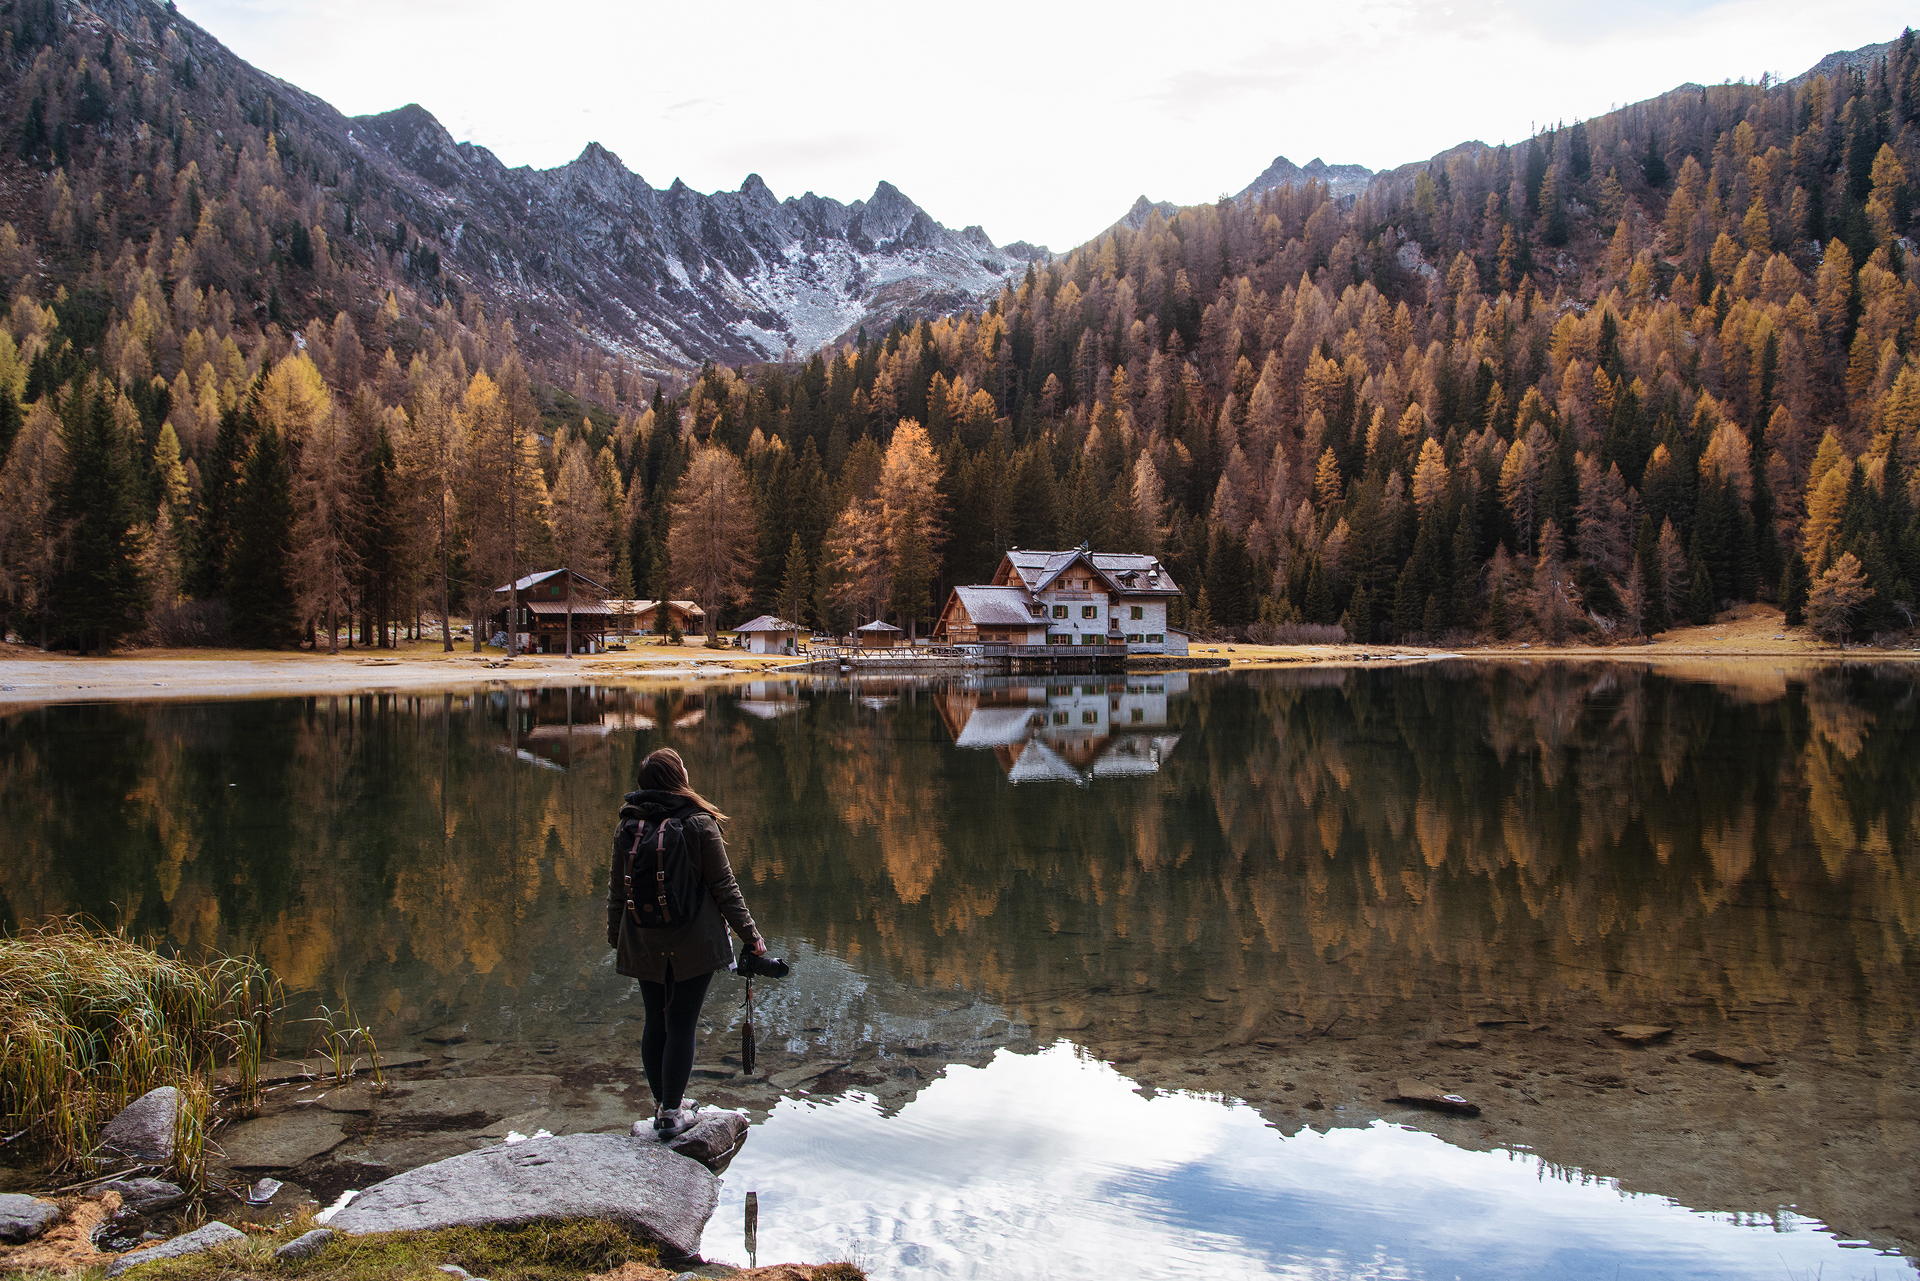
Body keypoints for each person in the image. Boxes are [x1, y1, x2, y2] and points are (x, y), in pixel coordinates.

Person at [607, 747, 767, 1138]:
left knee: (655, 1021)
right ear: (677, 779)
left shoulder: (628, 824)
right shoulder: (698, 822)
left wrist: (618, 937)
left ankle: (664, 1105)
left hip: (643, 938)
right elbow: (724, 887)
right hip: (694, 942)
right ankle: (672, 1113)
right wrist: (752, 937)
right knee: (681, 1022)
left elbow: (616, 891)